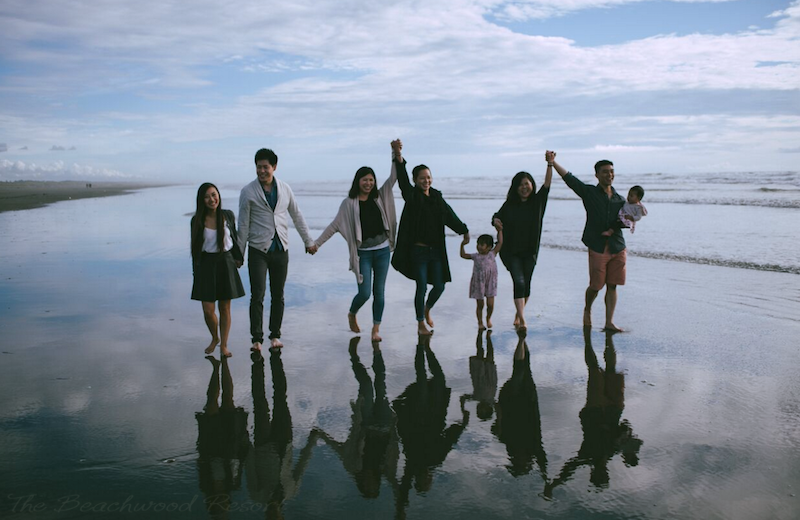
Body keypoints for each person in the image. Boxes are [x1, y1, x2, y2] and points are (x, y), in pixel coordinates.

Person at [313, 140, 400, 342]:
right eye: (364, 180)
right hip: (363, 254)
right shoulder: (349, 203)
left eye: (371, 180)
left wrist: (395, 153)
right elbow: (334, 226)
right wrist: (317, 243)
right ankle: (352, 313)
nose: (368, 183)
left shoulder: (381, 195)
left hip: (383, 251)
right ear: (357, 181)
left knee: (379, 292)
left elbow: (394, 176)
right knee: (364, 293)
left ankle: (376, 329)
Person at [238, 148, 317, 350]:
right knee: (258, 295)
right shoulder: (248, 192)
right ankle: (256, 339)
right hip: (258, 250)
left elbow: (296, 215)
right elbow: (243, 225)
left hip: (281, 248)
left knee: (278, 294)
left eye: (266, 167)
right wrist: (240, 253)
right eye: (258, 167)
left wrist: (308, 241)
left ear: (274, 167)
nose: (262, 171)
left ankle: (275, 336)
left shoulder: (285, 189)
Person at [391, 147, 470, 335]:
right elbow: (402, 181)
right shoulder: (412, 197)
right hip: (418, 252)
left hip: (435, 252)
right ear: (415, 181)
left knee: (440, 286)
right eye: (422, 178)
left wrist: (463, 230)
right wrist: (398, 156)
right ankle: (420, 324)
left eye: (428, 177)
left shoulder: (436, 197)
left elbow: (449, 216)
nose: (426, 181)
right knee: (421, 286)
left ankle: (427, 309)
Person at [550, 153, 627, 332]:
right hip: (598, 246)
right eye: (605, 172)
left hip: (617, 246)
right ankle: (587, 309)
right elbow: (570, 179)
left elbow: (626, 219)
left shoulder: (620, 199)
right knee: (596, 285)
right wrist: (553, 163)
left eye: (612, 172)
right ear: (597, 175)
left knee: (612, 285)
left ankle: (609, 322)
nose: (609, 175)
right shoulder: (590, 192)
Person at [491, 153, 553, 330]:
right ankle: (523, 319)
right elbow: (497, 216)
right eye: (520, 185)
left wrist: (550, 164)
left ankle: (519, 313)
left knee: (526, 284)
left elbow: (547, 184)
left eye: (527, 184)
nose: (524, 187)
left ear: (532, 185)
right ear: (515, 188)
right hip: (511, 251)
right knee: (518, 282)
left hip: (530, 250)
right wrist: (495, 221)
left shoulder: (538, 202)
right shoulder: (510, 204)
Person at [191, 182, 245, 357]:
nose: (211, 199)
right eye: (207, 196)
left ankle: (224, 345)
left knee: (225, 308)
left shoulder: (227, 215)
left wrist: (238, 257)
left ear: (219, 196)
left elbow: (234, 238)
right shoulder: (197, 220)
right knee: (208, 310)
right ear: (202, 200)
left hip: (226, 262)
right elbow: (195, 248)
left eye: (214, 195)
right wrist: (196, 272)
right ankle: (215, 337)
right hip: (206, 264)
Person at [460, 231, 503, 330]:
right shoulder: (475, 256)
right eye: (478, 244)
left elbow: (500, 242)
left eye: (482, 245)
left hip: (491, 282)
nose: (479, 246)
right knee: (480, 305)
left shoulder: (492, 254)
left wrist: (499, 230)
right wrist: (462, 244)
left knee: (490, 305)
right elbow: (463, 255)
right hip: (479, 283)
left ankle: (488, 318)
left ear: (489, 247)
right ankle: (480, 322)